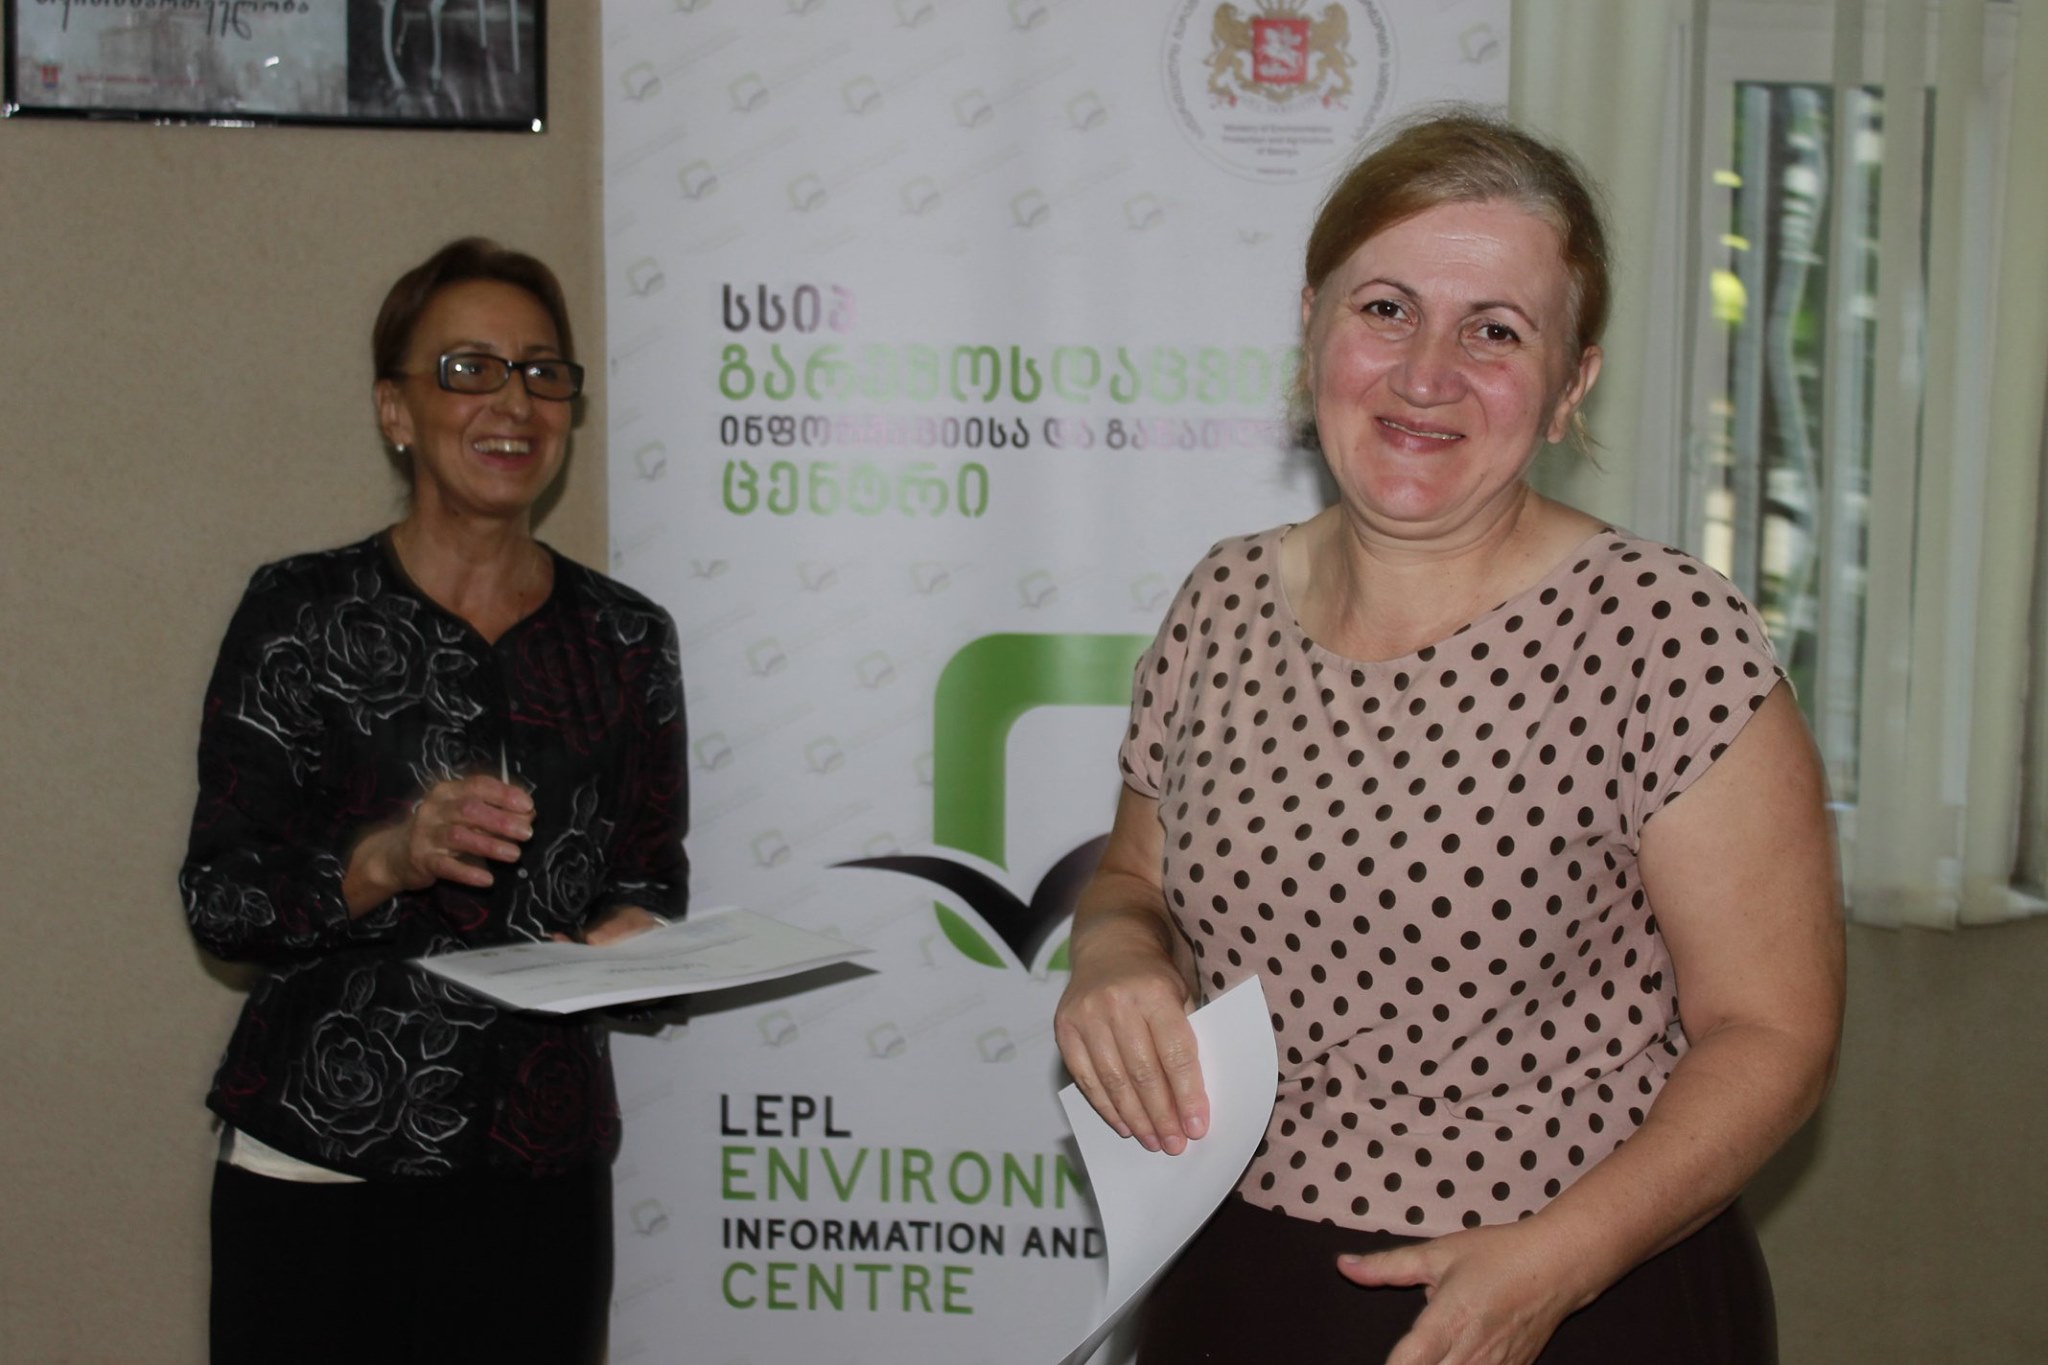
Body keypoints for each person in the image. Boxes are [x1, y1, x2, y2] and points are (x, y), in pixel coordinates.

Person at [1054, 111, 1843, 1365]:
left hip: (1569, 1297)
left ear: (1569, 385)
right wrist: (1108, 955)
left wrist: (1559, 1260)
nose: (1426, 374)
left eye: (1494, 331)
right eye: (1385, 310)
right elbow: (1130, 879)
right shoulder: (1220, 600)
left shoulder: (1664, 635)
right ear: (1312, 326)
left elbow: (1771, 1035)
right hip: (1234, 1282)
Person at [181, 238, 687, 1365]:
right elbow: (222, 899)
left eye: (542, 371)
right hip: (319, 1170)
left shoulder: (625, 638)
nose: (513, 402)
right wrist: (387, 858)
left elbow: (649, 877)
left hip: (538, 1180)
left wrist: (631, 939)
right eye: (468, 369)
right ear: (394, 409)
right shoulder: (300, 610)